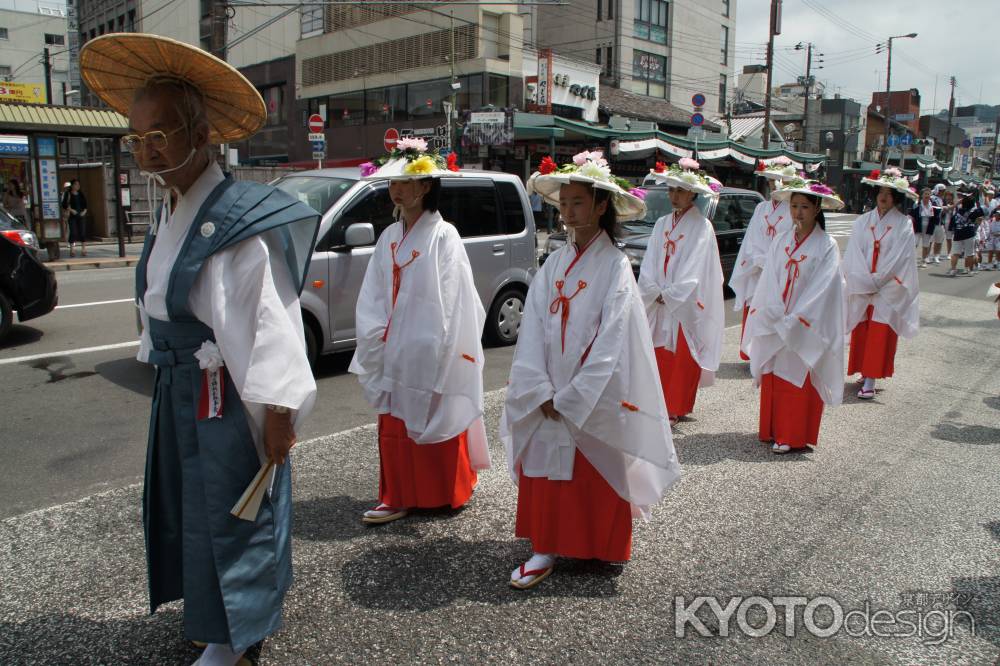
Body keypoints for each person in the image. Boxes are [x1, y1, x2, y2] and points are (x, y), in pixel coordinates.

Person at [80, 33, 321, 666]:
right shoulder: (172, 206)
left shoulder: (236, 219)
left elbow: (269, 321)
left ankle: (237, 638)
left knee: (231, 514)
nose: (145, 147)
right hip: (182, 387)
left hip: (224, 394)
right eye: (137, 137)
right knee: (190, 507)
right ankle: (209, 617)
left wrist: (276, 412)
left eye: (159, 133)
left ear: (201, 133)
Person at [501, 151, 680, 589]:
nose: (568, 212)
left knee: (593, 464)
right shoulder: (555, 264)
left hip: (589, 395)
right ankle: (544, 546)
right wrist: (539, 387)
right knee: (547, 463)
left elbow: (614, 339)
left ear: (602, 206)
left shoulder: (616, 265)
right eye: (563, 204)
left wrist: (573, 397)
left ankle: (598, 544)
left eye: (578, 202)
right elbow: (533, 329)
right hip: (549, 388)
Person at [350, 138, 491, 525]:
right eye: (392, 183)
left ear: (426, 186)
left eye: (405, 182)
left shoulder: (444, 235)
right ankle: (398, 494)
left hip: (427, 345)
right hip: (392, 342)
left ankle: (445, 490)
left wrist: (436, 342)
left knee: (436, 411)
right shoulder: (389, 237)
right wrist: (378, 331)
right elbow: (373, 292)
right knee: (396, 425)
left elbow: (452, 296)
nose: (396, 189)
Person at [742, 179, 845, 454]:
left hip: (804, 323)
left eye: (804, 207)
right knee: (775, 371)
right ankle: (772, 429)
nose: (798, 213)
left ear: (816, 209)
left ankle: (792, 434)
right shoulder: (781, 240)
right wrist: (775, 311)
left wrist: (796, 319)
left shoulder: (827, 245)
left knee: (797, 373)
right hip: (777, 317)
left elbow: (824, 287)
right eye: (794, 206)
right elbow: (770, 280)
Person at [638, 158, 724, 425]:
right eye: (672, 190)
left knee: (681, 356)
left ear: (693, 194)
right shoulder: (662, 223)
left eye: (681, 191)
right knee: (659, 353)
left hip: (682, 301)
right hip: (659, 297)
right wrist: (653, 290)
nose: (675, 196)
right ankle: (657, 403)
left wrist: (672, 293)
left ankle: (677, 406)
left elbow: (696, 266)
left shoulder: (702, 226)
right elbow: (650, 260)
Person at [842, 168, 919, 400]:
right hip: (864, 283)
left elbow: (900, 258)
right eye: (881, 192)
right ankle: (864, 371)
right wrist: (865, 279)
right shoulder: (863, 221)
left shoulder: (904, 224)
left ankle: (871, 380)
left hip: (887, 287)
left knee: (880, 332)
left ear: (896, 197)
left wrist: (878, 281)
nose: (883, 198)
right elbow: (853, 252)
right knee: (863, 329)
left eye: (889, 193)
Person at [729, 157, 797, 361]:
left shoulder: (793, 209)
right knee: (756, 308)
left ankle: (772, 351)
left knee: (776, 307)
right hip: (757, 268)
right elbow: (751, 237)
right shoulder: (761, 208)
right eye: (770, 180)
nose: (774, 185)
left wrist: (771, 262)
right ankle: (752, 351)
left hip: (779, 269)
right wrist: (757, 259)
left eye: (779, 181)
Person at [947, 188, 985, 277]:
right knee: (969, 254)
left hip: (958, 234)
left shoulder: (958, 212)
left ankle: (953, 269)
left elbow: (951, 225)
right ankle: (970, 270)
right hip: (969, 233)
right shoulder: (974, 211)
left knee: (955, 253)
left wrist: (959, 202)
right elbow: (983, 212)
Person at [911, 188, 940, 268]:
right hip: (918, 226)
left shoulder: (933, 204)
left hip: (928, 227)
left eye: (928, 194)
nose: (927, 195)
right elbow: (912, 215)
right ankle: (911, 260)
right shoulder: (917, 204)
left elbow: (937, 216)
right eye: (925, 194)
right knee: (914, 243)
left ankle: (924, 260)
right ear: (922, 195)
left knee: (926, 245)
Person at [63, 179, 89, 257]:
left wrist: (84, 212)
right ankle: (72, 250)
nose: (77, 186)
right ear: (72, 185)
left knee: (82, 232)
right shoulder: (68, 194)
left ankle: (84, 249)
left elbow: (85, 205)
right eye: (76, 184)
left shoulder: (81, 194)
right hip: (72, 216)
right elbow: (64, 204)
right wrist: (71, 210)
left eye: (78, 184)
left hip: (81, 215)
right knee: (73, 232)